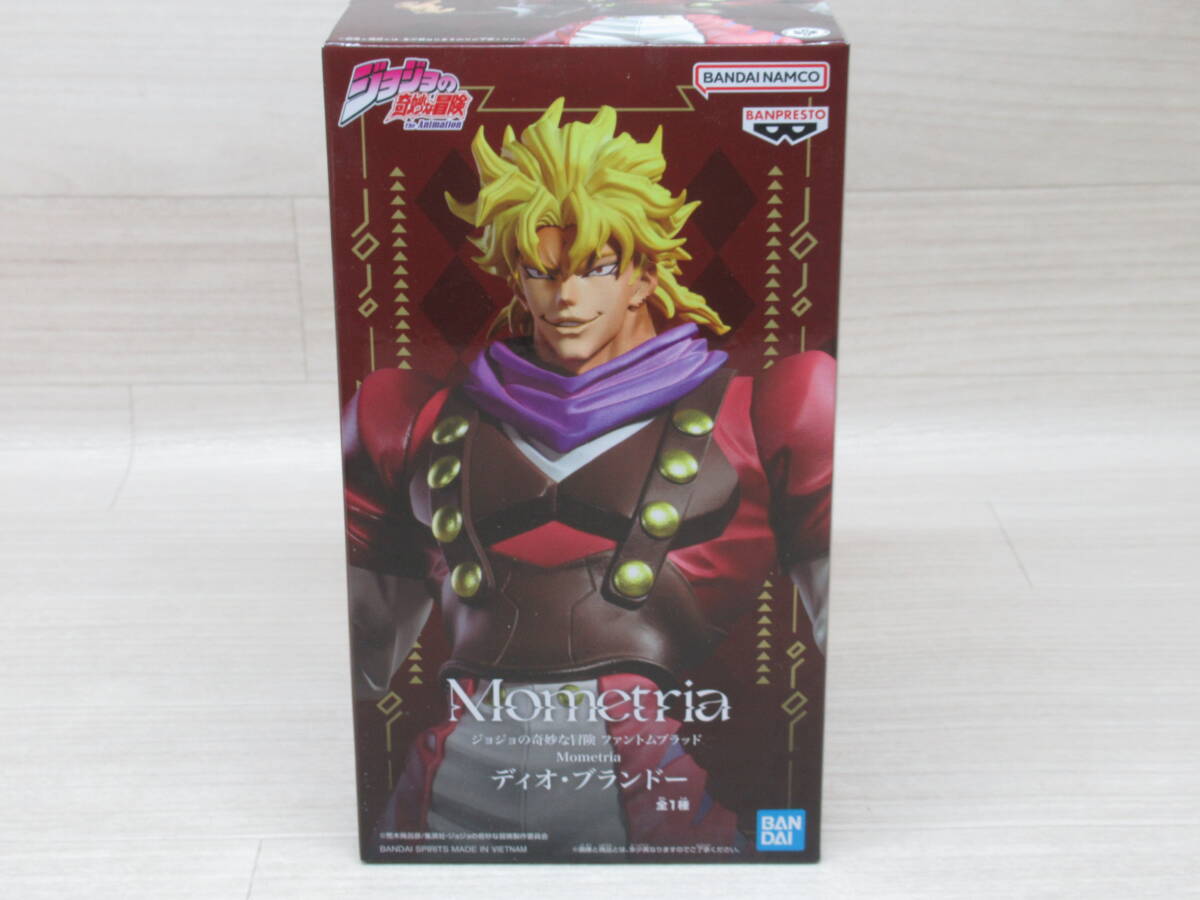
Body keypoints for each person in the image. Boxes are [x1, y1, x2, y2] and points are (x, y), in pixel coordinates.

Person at [342, 98, 834, 854]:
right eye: (541, 271)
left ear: (644, 275)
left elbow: (831, 643)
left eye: (596, 268)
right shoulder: (413, 419)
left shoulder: (766, 413)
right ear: (517, 278)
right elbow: (366, 662)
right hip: (436, 815)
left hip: (663, 821)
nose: (566, 297)